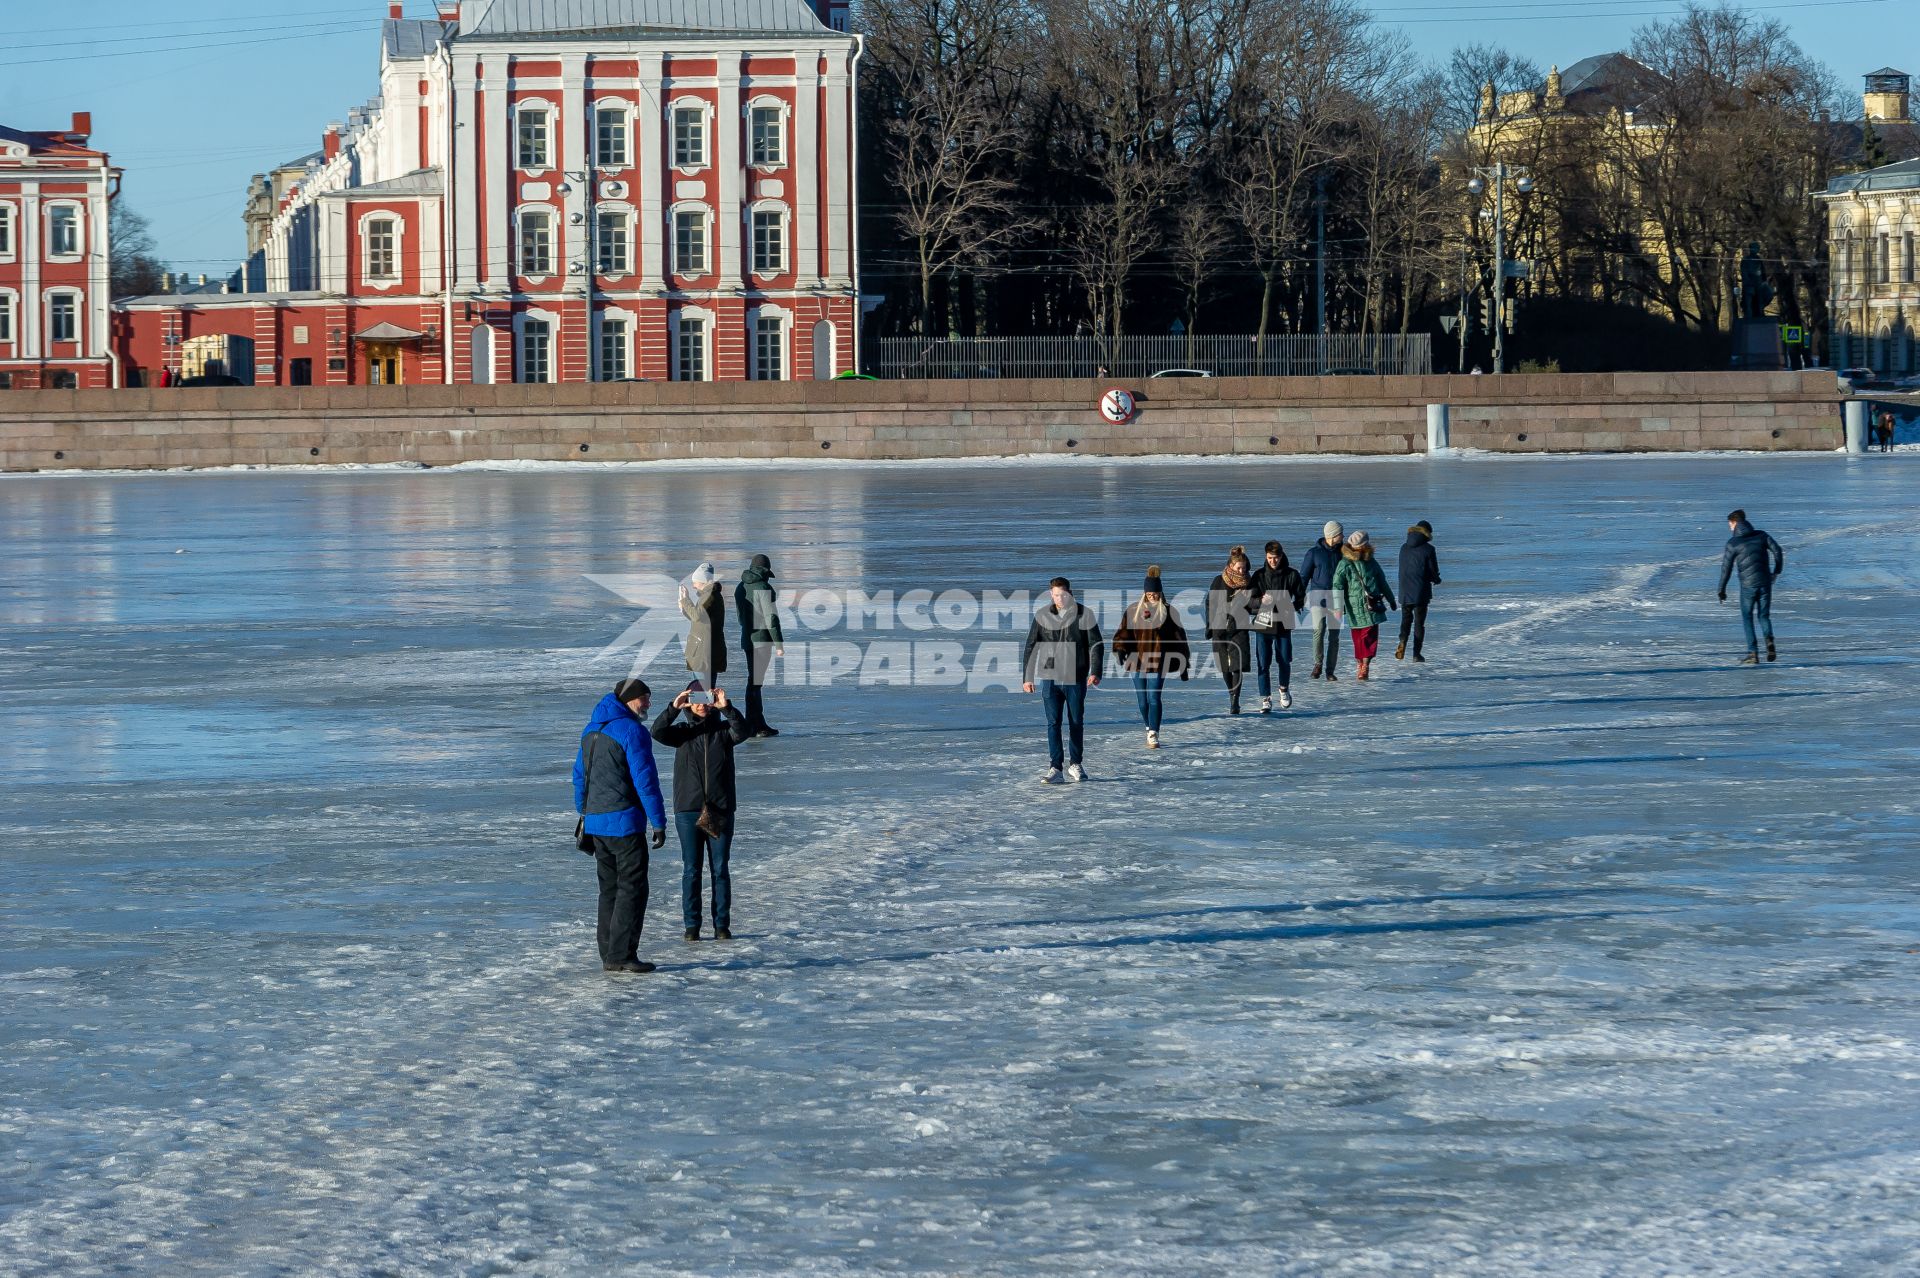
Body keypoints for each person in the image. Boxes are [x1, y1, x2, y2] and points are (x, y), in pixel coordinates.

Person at [572, 677, 669, 975]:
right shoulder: (632, 731)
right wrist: (659, 821)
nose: (648, 704)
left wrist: (586, 813)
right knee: (632, 889)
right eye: (644, 698)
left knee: (609, 890)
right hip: (624, 824)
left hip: (597, 824)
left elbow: (579, 778)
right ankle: (622, 954)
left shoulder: (591, 730)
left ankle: (609, 955)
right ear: (628, 700)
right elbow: (645, 781)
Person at [652, 680, 753, 941]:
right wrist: (673, 709)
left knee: (720, 868)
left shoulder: (724, 732)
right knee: (691, 869)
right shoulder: (682, 733)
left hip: (720, 809)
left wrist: (727, 707)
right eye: (695, 698)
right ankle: (692, 926)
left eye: (706, 698)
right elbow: (657, 732)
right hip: (688, 809)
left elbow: (744, 731)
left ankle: (721, 925)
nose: (701, 704)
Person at [1022, 576, 1104, 783]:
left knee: (1076, 721)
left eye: (1063, 594)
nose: (1059, 598)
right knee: (1053, 723)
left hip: (1075, 676)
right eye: (1056, 595)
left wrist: (1095, 671)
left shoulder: (1085, 614)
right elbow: (1031, 645)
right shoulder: (1042, 615)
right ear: (1051, 594)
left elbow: (1096, 645)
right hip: (1049, 677)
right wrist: (1027, 677)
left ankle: (1075, 764)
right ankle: (1055, 768)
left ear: (1069, 593)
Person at [1111, 565, 1191, 748]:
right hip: (1136, 661)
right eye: (1149, 593)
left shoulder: (1169, 612)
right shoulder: (1133, 610)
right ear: (1144, 593)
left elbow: (1179, 639)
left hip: (1158, 662)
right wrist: (1120, 649)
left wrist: (1183, 663)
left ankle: (1154, 732)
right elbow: (1122, 633)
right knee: (1142, 700)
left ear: (1160, 592)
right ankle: (1148, 727)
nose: (1152, 596)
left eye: (1155, 593)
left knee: (1154, 698)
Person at [1718, 508, 1784, 664]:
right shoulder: (1762, 535)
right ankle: (1769, 641)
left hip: (1748, 586)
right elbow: (1778, 551)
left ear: (1734, 523)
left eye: (1730, 524)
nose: (1729, 527)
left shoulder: (1733, 543)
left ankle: (1753, 653)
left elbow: (1726, 568)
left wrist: (1721, 589)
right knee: (1764, 615)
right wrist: (1776, 572)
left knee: (1747, 617)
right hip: (1765, 582)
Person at [1246, 540, 1305, 712]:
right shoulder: (1259, 576)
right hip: (1263, 623)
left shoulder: (1292, 575)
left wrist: (1292, 606)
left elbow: (1302, 597)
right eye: (1270, 558)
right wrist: (1260, 601)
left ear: (1281, 556)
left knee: (1284, 659)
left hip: (1283, 624)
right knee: (1263, 662)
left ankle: (1284, 689)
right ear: (1266, 556)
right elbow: (1249, 602)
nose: (1273, 561)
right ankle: (1265, 698)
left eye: (1276, 558)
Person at [1332, 530, 1396, 681]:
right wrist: (1337, 607)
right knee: (1358, 638)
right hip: (1354, 607)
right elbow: (1337, 585)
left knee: (1370, 636)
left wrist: (1391, 599)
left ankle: (1365, 665)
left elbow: (1382, 581)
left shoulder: (1371, 562)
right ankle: (1360, 663)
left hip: (1372, 606)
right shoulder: (1345, 564)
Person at [734, 553, 785, 738]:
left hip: (747, 639)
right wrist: (779, 643)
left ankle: (756, 722)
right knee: (755, 683)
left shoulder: (740, 587)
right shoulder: (763, 587)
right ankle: (755, 724)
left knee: (753, 681)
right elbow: (771, 619)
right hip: (762, 641)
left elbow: (740, 616)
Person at [1207, 546, 1257, 715]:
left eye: (1244, 568)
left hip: (1239, 628)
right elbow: (1210, 604)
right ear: (1231, 566)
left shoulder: (1250, 584)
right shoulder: (1218, 581)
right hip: (1219, 628)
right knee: (1224, 667)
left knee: (1237, 666)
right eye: (1239, 568)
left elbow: (1253, 606)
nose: (1242, 570)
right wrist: (1209, 627)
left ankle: (1235, 700)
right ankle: (1231, 692)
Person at [1303, 520, 1346, 681]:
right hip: (1318, 597)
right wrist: (1300, 596)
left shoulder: (1343, 552)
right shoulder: (1314, 553)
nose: (1343, 536)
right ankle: (1318, 663)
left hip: (1336, 598)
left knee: (1334, 636)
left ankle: (1330, 670)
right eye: (1341, 533)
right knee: (1319, 630)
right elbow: (1304, 576)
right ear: (1333, 535)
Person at [1395, 520, 1443, 663]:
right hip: (1420, 591)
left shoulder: (1403, 547)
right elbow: (1432, 571)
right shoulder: (1429, 549)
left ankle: (1402, 640)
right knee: (1419, 623)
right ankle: (1416, 654)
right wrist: (1437, 580)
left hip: (1404, 589)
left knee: (1406, 619)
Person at [680, 562, 726, 689]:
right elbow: (698, 618)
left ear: (703, 581)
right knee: (706, 690)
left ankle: (706, 708)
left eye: (695, 582)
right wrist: (684, 608)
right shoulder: (710, 595)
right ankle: (708, 708)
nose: (694, 586)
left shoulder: (709, 595)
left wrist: (685, 599)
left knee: (701, 691)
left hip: (703, 652)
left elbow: (696, 615)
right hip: (706, 650)